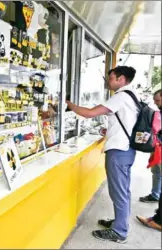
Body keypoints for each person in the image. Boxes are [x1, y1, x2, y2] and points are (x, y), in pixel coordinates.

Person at [66, 66, 139, 243]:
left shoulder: (121, 97)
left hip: (119, 152)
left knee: (119, 191)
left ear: (121, 79)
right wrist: (110, 129)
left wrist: (68, 104)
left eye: (111, 78)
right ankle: (120, 223)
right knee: (123, 191)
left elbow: (89, 113)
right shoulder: (132, 96)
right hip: (126, 150)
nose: (108, 81)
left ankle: (120, 231)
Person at [139, 89, 162, 203]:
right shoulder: (158, 112)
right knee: (156, 171)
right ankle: (155, 194)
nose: (156, 103)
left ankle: (156, 195)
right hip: (158, 147)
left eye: (157, 100)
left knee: (158, 171)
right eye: (154, 100)